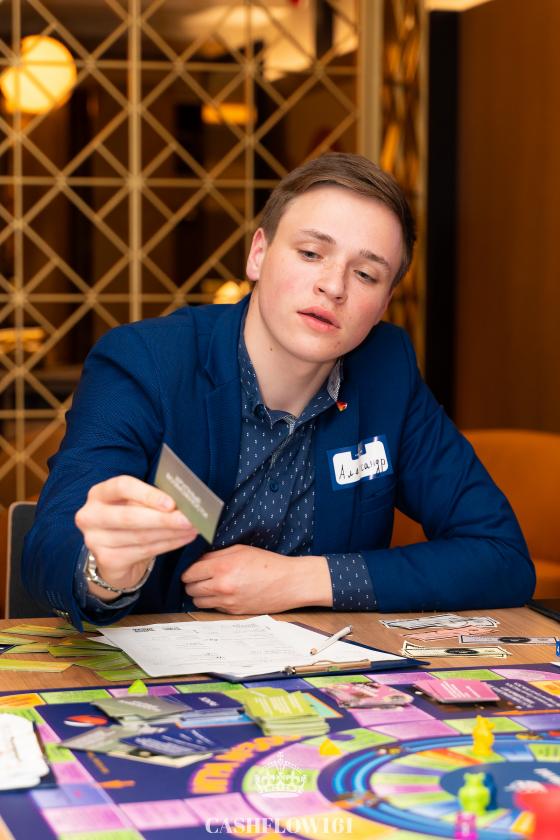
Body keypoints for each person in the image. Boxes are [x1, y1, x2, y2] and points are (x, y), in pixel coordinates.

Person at [22, 153, 535, 629]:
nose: (334, 286)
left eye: (365, 274)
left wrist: (305, 579)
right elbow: (50, 545)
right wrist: (107, 572)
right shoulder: (147, 362)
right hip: (154, 676)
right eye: (311, 253)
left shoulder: (386, 373)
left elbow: (501, 555)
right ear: (258, 254)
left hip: (319, 676)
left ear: (384, 304)